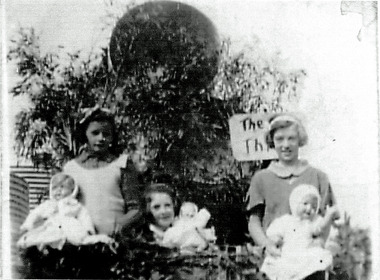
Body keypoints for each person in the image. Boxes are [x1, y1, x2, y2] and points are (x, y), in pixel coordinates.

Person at [246, 113, 336, 259]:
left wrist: (319, 243)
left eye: (291, 138)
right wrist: (266, 244)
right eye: (279, 139)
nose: (285, 145)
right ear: (272, 141)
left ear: (299, 140)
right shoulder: (261, 178)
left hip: (310, 256)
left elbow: (326, 218)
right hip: (276, 256)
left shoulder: (318, 177)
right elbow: (254, 222)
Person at [63, 105, 142, 235]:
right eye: (95, 133)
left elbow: (136, 208)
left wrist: (123, 222)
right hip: (81, 243)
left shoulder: (121, 164)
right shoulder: (71, 168)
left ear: (112, 137)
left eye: (106, 134)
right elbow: (63, 206)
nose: (101, 138)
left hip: (115, 243)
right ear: (85, 134)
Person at [261, 184, 340, 280]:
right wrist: (275, 239)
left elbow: (320, 228)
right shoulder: (286, 220)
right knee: (277, 264)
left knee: (320, 256)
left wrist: (329, 216)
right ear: (295, 203)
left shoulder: (311, 223)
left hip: (305, 253)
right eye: (305, 204)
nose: (309, 209)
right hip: (288, 253)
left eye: (314, 207)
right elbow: (274, 233)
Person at [17, 173, 111, 250]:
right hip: (54, 225)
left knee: (79, 239)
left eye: (62, 187)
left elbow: (84, 215)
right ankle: (46, 248)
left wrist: (89, 229)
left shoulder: (74, 204)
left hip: (71, 226)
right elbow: (35, 214)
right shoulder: (49, 204)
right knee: (44, 236)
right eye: (54, 188)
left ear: (72, 190)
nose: (58, 191)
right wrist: (27, 225)